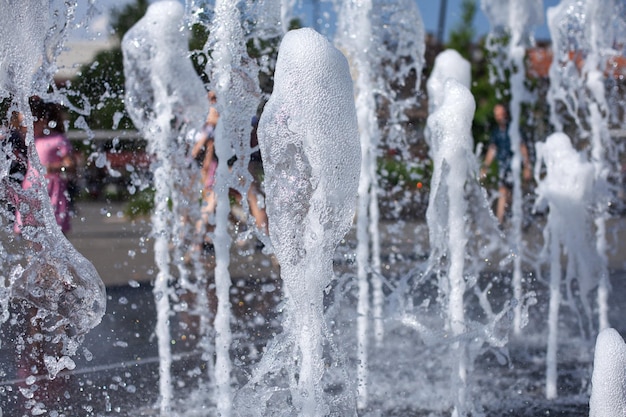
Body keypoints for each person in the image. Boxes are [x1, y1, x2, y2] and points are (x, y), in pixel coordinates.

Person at [18, 97, 75, 234]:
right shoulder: (31, 141)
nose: (23, 128)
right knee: (30, 229)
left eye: (26, 124)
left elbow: (70, 164)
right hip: (31, 187)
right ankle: (32, 255)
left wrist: (54, 167)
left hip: (51, 189)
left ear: (42, 120)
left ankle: (56, 255)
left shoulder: (57, 139)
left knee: (54, 228)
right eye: (21, 125)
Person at [480, 103, 532, 224]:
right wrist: (485, 167)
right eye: (496, 114)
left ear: (506, 113)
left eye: (500, 113)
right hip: (503, 167)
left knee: (514, 193)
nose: (499, 117)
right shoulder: (496, 132)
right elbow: (492, 150)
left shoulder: (514, 129)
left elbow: (522, 147)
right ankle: (500, 222)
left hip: (515, 166)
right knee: (503, 191)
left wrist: (527, 167)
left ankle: (516, 219)